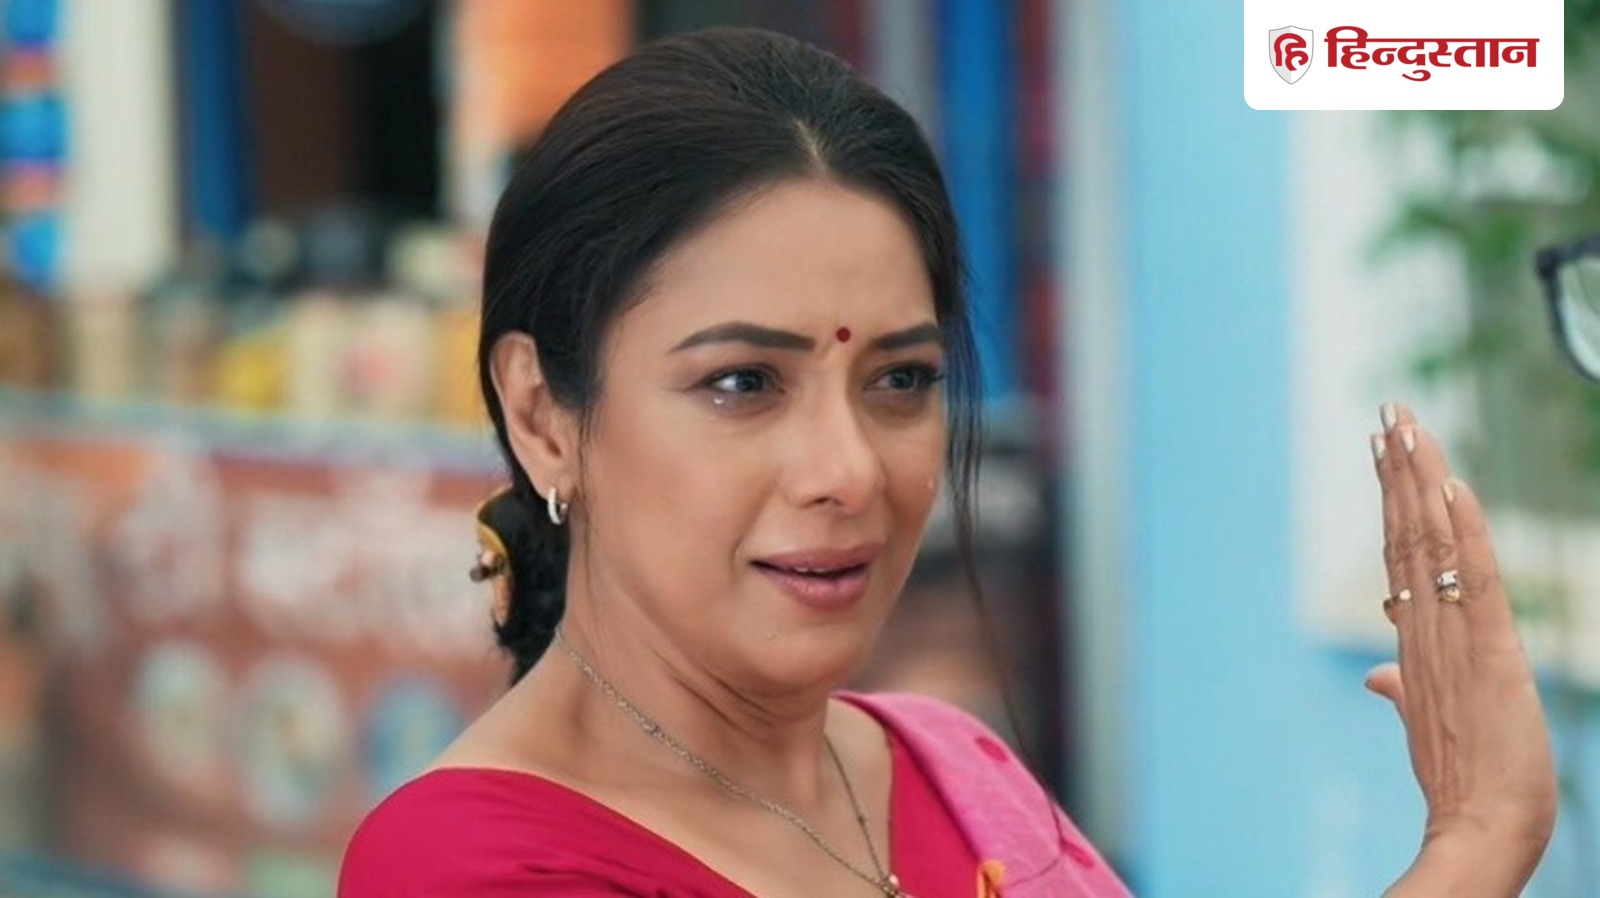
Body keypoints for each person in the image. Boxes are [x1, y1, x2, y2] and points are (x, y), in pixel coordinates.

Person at [337, 28, 1555, 897]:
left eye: (900, 381)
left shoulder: (952, 770)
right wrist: (1473, 846)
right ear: (544, 415)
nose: (848, 470)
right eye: (742, 383)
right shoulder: (470, 865)